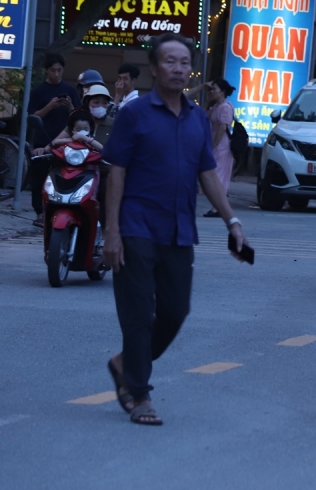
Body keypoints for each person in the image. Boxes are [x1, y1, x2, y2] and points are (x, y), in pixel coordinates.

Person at [101, 33, 250, 426]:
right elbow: (116, 172)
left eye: (184, 62)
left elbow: (208, 174)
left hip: (179, 229)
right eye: (170, 61)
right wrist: (111, 232)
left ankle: (123, 364)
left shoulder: (199, 118)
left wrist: (232, 221)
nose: (178, 68)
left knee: (175, 311)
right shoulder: (135, 115)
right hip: (135, 225)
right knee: (138, 315)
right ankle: (140, 394)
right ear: (154, 68)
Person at [28, 54, 79, 225]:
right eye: (53, 70)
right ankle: (40, 213)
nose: (56, 74)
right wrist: (49, 106)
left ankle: (60, 210)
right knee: (39, 177)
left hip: (64, 141)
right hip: (43, 139)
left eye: (59, 70)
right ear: (46, 71)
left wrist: (70, 106)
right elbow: (33, 115)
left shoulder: (70, 91)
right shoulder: (38, 91)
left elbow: (78, 118)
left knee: (63, 176)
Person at [190, 78, 236, 218]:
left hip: (222, 146)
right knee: (214, 174)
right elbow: (202, 116)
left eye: (214, 89)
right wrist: (208, 101)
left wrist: (213, 146)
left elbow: (223, 127)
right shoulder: (215, 107)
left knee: (220, 175)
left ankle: (217, 208)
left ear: (222, 92)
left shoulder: (226, 107)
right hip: (214, 143)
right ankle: (217, 206)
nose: (211, 92)